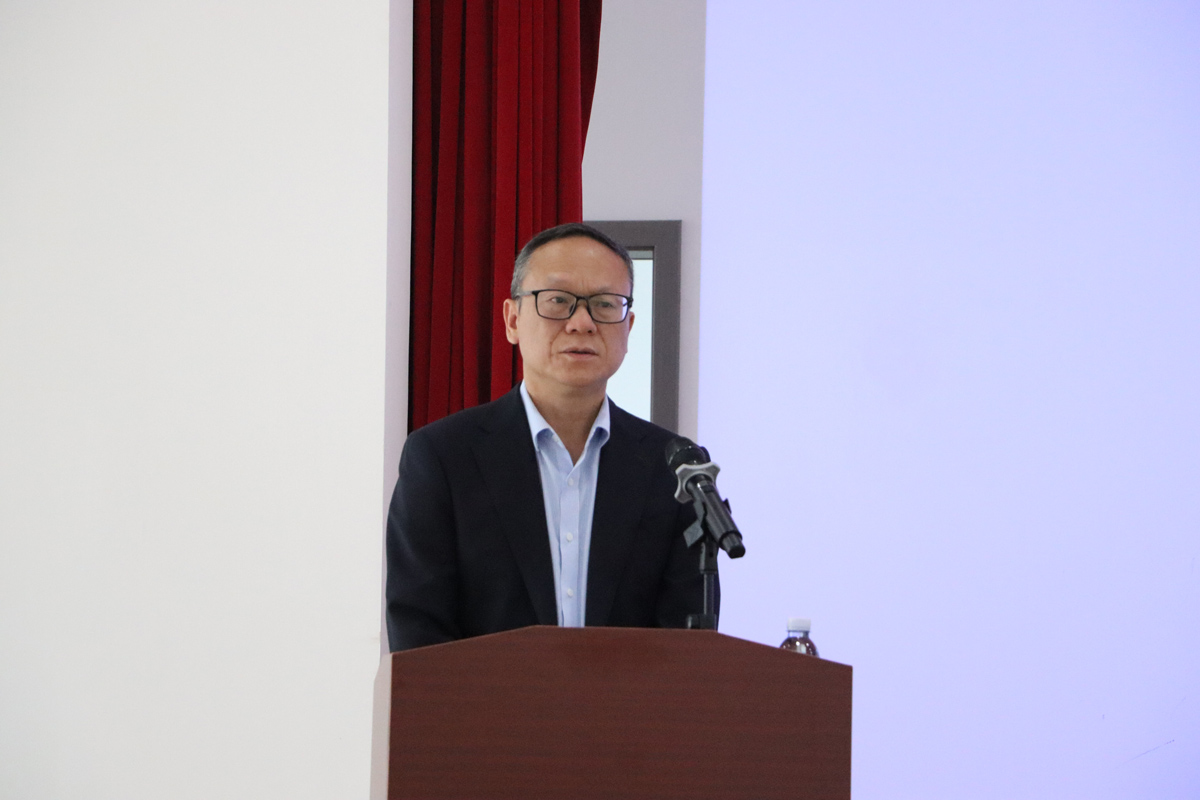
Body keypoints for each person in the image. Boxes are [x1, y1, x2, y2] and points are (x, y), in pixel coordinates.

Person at [385, 222, 710, 651]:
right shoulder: (443, 458)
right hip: (484, 697)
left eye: (604, 304)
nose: (582, 322)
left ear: (629, 327)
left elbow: (685, 650)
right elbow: (419, 635)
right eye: (558, 300)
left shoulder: (674, 467)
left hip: (631, 699)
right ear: (513, 320)